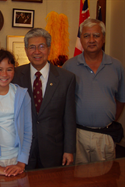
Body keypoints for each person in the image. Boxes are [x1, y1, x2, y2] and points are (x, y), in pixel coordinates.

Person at [63, 18, 125, 164]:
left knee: (104, 179)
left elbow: (121, 100)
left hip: (105, 136)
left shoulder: (116, 66)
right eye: (86, 36)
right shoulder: (69, 66)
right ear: (81, 39)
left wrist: (106, 119)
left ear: (103, 38)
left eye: (96, 35)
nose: (91, 40)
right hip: (78, 135)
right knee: (77, 179)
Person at [12, 28, 76, 169]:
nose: (37, 52)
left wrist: (69, 150)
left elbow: (69, 118)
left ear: (49, 48)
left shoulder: (66, 78)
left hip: (53, 150)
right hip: (21, 151)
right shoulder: (15, 75)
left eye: (41, 46)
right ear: (26, 49)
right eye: (32, 47)